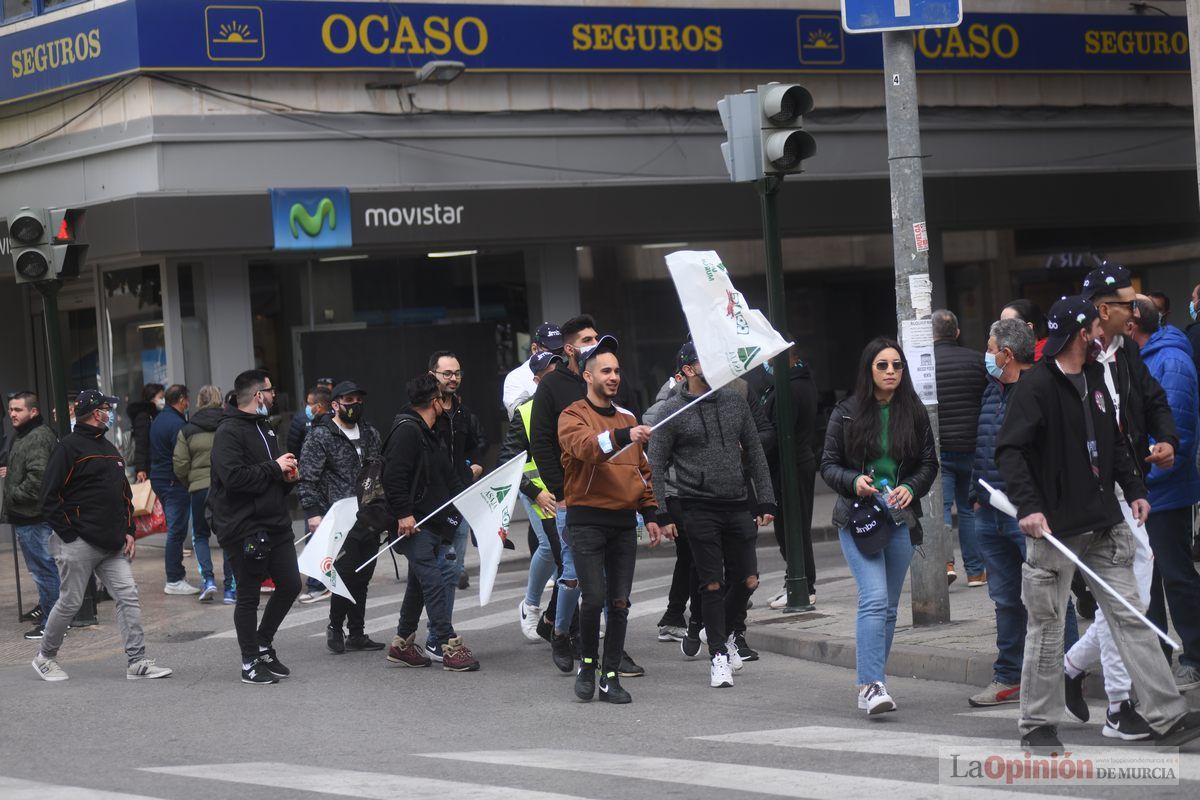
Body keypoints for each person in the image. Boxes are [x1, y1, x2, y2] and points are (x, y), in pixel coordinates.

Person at [996, 294, 1200, 751]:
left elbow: (1114, 442)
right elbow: (1011, 452)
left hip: (1105, 523)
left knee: (1131, 617)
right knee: (1046, 626)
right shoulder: (1037, 388)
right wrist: (1028, 507)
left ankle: (1167, 717)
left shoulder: (1095, 378)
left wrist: (1136, 491)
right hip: (1054, 531)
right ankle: (1036, 725)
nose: (1099, 335)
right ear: (1077, 335)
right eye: (1091, 328)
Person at [1058, 267, 1185, 738]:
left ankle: (1073, 668)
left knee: (1130, 593)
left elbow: (1152, 400)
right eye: (1129, 304)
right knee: (1123, 593)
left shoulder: (1128, 349)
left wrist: (1167, 438)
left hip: (1129, 486)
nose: (1138, 311)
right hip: (1094, 492)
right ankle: (1117, 704)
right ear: (1103, 309)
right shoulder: (1076, 354)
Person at [820, 338, 938, 715]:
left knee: (888, 608)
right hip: (857, 516)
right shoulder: (847, 413)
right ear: (868, 370)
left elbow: (928, 464)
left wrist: (909, 487)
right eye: (883, 365)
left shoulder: (914, 412)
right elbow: (827, 464)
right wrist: (853, 480)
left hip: (899, 517)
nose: (891, 372)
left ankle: (875, 680)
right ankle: (871, 685)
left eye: (897, 366)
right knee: (873, 598)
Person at [648, 342, 775, 689]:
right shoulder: (671, 411)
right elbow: (655, 464)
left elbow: (757, 453)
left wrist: (765, 500)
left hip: (737, 504)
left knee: (748, 580)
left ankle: (726, 632)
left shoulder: (735, 402)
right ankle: (718, 654)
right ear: (689, 369)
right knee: (712, 583)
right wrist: (660, 511)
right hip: (697, 506)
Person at [33, 390, 173, 682]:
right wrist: (69, 534)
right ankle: (45, 657)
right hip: (78, 542)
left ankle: (136, 662)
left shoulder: (109, 447)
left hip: (112, 543)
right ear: (97, 413)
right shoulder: (67, 448)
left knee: (128, 595)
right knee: (70, 602)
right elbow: (48, 497)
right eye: (108, 408)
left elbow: (123, 493)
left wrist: (129, 531)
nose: (111, 412)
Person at [558, 335, 661, 704]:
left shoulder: (629, 417)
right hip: (585, 520)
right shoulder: (572, 415)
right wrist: (622, 434)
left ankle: (611, 676)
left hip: (623, 523)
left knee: (619, 603)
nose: (614, 376)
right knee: (594, 597)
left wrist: (650, 513)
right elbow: (587, 448)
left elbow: (642, 471)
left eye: (617, 370)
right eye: (606, 370)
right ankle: (587, 665)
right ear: (588, 376)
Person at [1121, 297, 1200, 691]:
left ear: (1134, 325)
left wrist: (1144, 466)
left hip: (1164, 491)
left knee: (1176, 575)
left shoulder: (1169, 361)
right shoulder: (1140, 356)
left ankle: (1195, 656)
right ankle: (1159, 658)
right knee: (1147, 581)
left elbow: (1177, 432)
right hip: (1144, 489)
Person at [208, 370, 302, 685]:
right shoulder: (228, 432)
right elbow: (233, 479)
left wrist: (287, 477)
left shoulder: (266, 427)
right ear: (259, 395)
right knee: (248, 595)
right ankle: (249, 662)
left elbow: (268, 475)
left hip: (275, 522)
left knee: (290, 584)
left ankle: (263, 642)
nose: (275, 396)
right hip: (244, 527)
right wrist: (274, 467)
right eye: (271, 390)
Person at [382, 374, 480, 672]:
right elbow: (393, 476)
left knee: (419, 582)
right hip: (413, 524)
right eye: (441, 398)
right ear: (434, 401)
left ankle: (402, 644)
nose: (445, 403)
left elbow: (443, 473)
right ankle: (449, 644)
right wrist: (403, 514)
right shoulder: (407, 432)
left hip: (431, 520)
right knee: (434, 579)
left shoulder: (428, 430)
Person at [966, 319, 1037, 707]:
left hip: (1026, 513)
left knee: (1046, 596)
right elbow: (983, 444)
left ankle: (1066, 669)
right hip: (989, 511)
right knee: (1005, 598)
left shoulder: (1040, 390)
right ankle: (1008, 676)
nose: (987, 355)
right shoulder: (992, 391)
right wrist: (977, 494)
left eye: (990, 348)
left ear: (1006, 354)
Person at [297, 380, 385, 647]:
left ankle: (357, 633)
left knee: (363, 575)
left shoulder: (371, 433)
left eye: (358, 401)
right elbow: (308, 477)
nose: (354, 406)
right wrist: (313, 513)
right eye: (348, 402)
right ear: (335, 405)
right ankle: (336, 627)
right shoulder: (322, 435)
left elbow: (380, 471)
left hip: (368, 515)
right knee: (344, 573)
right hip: (338, 517)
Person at [502, 351, 565, 642]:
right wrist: (535, 492)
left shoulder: (573, 405)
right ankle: (530, 605)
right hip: (537, 492)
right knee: (551, 549)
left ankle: (570, 618)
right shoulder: (525, 411)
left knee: (573, 552)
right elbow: (508, 463)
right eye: (550, 374)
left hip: (567, 490)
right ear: (537, 380)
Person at [932, 309, 987, 587]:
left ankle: (945, 565)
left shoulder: (925, 365)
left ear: (931, 334)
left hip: (941, 450)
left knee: (941, 509)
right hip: (972, 447)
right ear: (956, 333)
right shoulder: (977, 361)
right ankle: (976, 571)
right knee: (968, 508)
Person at [428, 350, 487, 607]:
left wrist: (476, 466)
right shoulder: (425, 414)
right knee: (435, 569)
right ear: (433, 375)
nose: (453, 378)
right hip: (432, 505)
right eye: (447, 373)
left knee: (453, 569)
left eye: (457, 373)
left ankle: (440, 632)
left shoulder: (463, 413)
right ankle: (430, 632)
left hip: (461, 501)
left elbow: (476, 446)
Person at [760, 342, 816, 609]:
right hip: (790, 465)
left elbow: (779, 433)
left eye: (771, 356)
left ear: (787, 357)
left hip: (790, 466)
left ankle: (803, 583)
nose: (766, 362)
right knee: (788, 528)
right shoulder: (795, 382)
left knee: (793, 528)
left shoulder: (791, 388)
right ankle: (793, 579)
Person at [3, 392, 60, 639]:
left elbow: (38, 479)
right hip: (29, 516)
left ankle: (53, 623)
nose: (13, 414)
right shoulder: (26, 435)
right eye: (11, 409)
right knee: (43, 569)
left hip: (34, 517)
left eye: (18, 409)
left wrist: (13, 494)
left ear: (33, 411)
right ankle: (52, 615)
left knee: (44, 570)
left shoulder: (36, 437)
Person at [173, 385, 232, 603]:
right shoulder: (229, 423)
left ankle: (208, 580)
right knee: (229, 536)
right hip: (225, 487)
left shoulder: (188, 428)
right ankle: (231, 589)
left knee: (200, 535)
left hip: (198, 489)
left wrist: (190, 482)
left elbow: (179, 463)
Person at [150, 384, 196, 595]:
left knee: (175, 529)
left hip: (161, 479)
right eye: (186, 399)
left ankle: (177, 575)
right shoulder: (176, 423)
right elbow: (181, 458)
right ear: (181, 400)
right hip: (172, 481)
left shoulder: (159, 420)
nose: (188, 403)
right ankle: (174, 579)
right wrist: (186, 479)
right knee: (177, 531)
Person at [503, 322, 564, 420]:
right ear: (534, 349)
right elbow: (517, 415)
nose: (556, 357)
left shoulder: (567, 370)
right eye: (551, 352)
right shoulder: (515, 377)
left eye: (560, 352)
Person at [127, 382, 163, 483]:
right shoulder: (144, 416)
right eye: (160, 397)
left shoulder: (154, 414)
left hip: (154, 465)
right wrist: (140, 469)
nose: (163, 400)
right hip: (148, 467)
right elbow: (141, 444)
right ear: (152, 397)